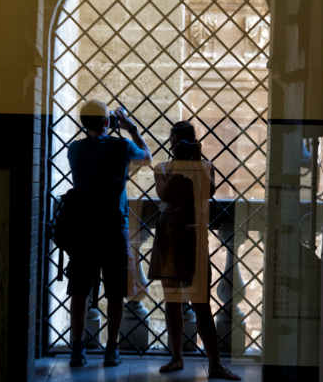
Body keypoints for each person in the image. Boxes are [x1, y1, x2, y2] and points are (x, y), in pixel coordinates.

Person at [149, 121, 241, 380]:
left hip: (194, 239)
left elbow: (208, 192)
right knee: (172, 302)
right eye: (176, 144)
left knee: (202, 304)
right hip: (168, 239)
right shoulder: (163, 168)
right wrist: (181, 166)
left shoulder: (205, 166)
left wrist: (195, 161)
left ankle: (215, 364)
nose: (179, 148)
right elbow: (165, 196)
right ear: (170, 145)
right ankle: (176, 357)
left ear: (194, 144)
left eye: (184, 143)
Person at [66, 99, 152, 367]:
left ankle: (77, 350)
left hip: (83, 230)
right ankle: (111, 349)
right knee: (115, 292)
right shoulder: (121, 146)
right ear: (107, 122)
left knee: (79, 291)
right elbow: (147, 158)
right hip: (114, 227)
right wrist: (130, 127)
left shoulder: (75, 150)